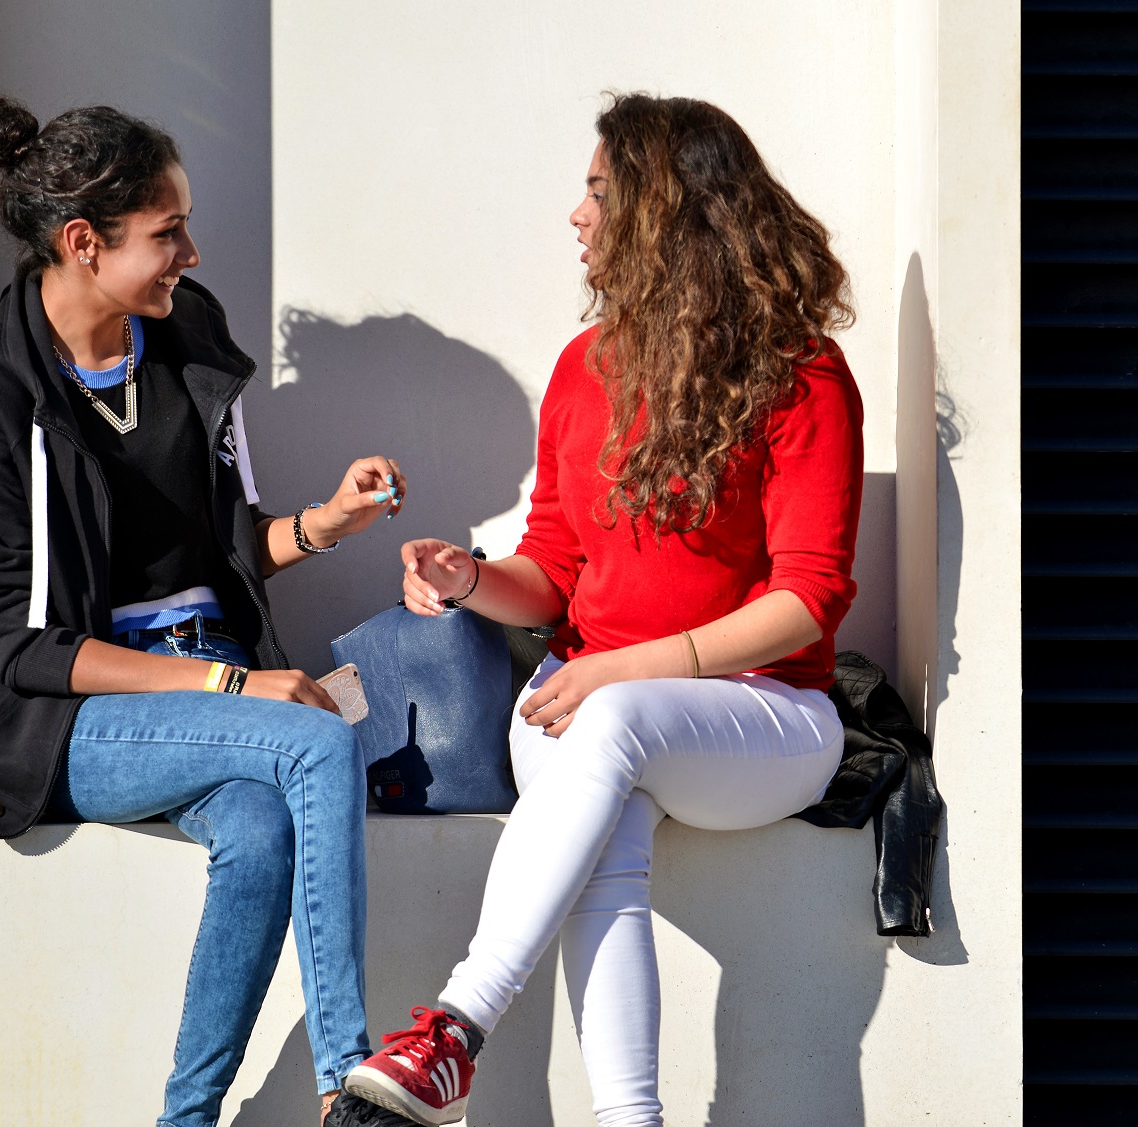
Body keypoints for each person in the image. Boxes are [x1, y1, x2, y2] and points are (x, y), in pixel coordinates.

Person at [343, 94, 862, 1127]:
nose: (575, 217)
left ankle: (457, 1021)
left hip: (761, 719)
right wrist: (466, 578)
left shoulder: (800, 375)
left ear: (661, 211)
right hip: (583, 709)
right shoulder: (584, 371)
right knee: (601, 834)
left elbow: (808, 600)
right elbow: (552, 573)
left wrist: (627, 670)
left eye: (595, 191)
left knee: (608, 720)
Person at [0, 93, 402, 1127]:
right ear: (82, 242)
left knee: (257, 829)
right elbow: (16, 641)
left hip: (211, 673)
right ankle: (350, 1078)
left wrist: (328, 521)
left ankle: (185, 1117)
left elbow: (227, 552)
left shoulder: (184, 335)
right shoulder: (0, 387)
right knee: (313, 736)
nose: (191, 254)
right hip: (83, 718)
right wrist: (232, 683)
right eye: (167, 233)